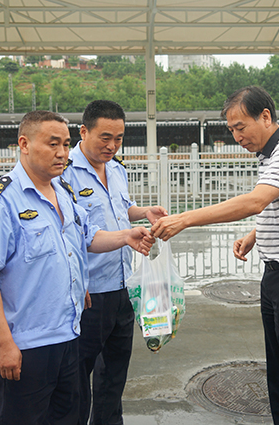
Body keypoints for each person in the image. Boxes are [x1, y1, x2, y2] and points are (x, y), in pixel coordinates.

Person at [151, 86, 279, 425]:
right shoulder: (270, 153)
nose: (236, 137)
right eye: (232, 129)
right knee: (278, 373)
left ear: (265, 116)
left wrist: (184, 219)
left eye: (240, 127)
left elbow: (256, 201)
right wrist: (255, 234)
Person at [0, 110, 154, 425]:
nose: (61, 153)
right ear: (24, 144)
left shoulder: (62, 193)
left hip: (69, 336)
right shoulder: (2, 201)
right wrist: (3, 342)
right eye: (52, 143)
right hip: (27, 345)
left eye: (65, 144)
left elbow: (87, 238)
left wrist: (126, 236)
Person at [61, 100, 167, 425]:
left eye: (119, 138)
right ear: (83, 132)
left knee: (114, 374)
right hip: (89, 293)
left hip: (123, 288)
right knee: (78, 378)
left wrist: (143, 212)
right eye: (105, 137)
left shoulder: (117, 169)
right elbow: (77, 234)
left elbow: (122, 208)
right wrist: (125, 236)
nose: (112, 145)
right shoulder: (64, 172)